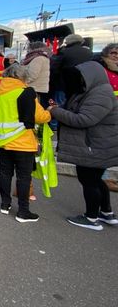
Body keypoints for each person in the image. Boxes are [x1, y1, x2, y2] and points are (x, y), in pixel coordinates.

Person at [49, 61, 118, 230]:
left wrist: (55, 111)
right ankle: (106, 213)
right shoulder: (94, 91)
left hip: (94, 145)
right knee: (95, 179)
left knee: (89, 181)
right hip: (96, 144)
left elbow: (84, 119)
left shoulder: (100, 94)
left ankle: (91, 217)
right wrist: (60, 107)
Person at [0, 64, 51, 222]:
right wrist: (50, 111)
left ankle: (5, 204)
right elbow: (41, 117)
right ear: (22, 77)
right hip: (22, 141)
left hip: (1, 142)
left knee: (5, 172)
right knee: (23, 177)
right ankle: (23, 211)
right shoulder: (25, 93)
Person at [49, 34, 92, 129]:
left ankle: (55, 125)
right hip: (86, 84)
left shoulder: (64, 52)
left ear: (67, 42)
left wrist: (54, 82)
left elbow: (54, 68)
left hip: (64, 84)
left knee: (58, 105)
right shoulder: (88, 52)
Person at [93, 43, 118, 192]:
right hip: (104, 111)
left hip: (113, 112)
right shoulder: (102, 69)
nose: (116, 56)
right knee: (103, 146)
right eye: (114, 53)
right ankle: (103, 178)